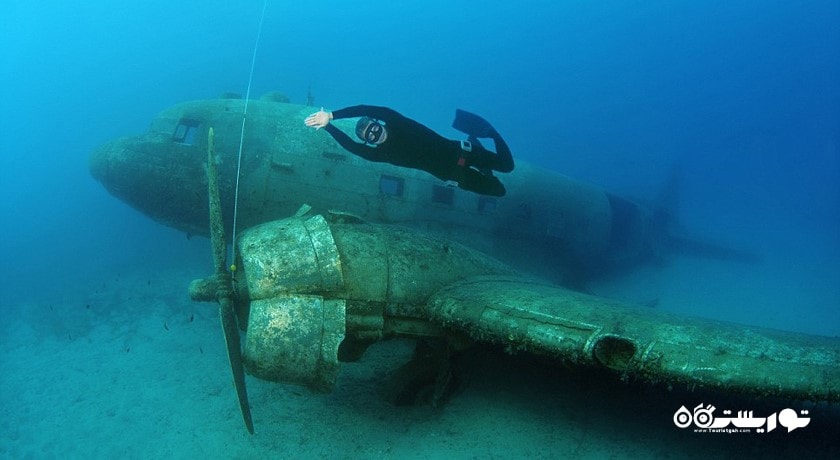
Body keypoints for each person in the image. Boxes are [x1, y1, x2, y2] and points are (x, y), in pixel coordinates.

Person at [304, 105, 514, 196]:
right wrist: (329, 128)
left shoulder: (396, 122)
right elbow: (352, 147)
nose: (375, 134)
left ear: (380, 122)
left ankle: (490, 133)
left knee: (508, 166)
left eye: (374, 128)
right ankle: (486, 172)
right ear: (369, 142)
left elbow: (367, 108)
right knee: (499, 191)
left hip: (462, 152)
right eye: (370, 136)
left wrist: (331, 116)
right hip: (454, 175)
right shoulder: (380, 154)